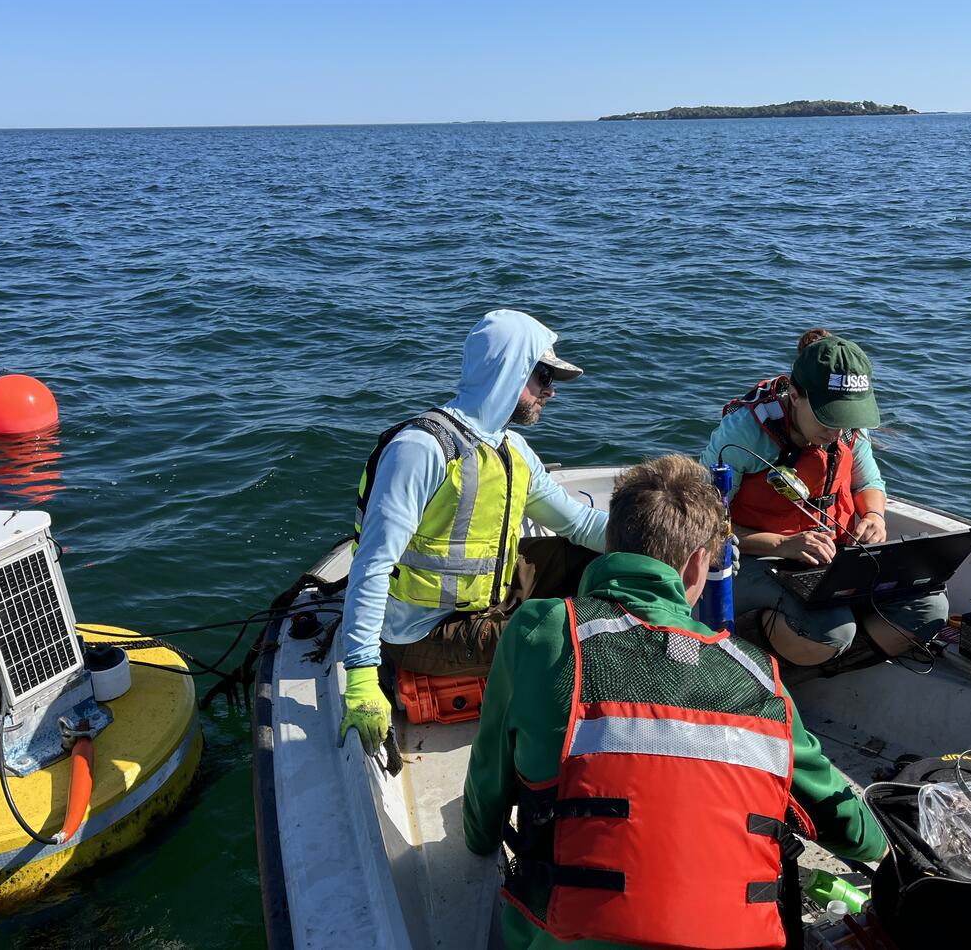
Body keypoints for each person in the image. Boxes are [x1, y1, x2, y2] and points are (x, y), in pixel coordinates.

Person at [463, 455, 887, 950]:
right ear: (697, 563)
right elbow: (852, 830)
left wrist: (478, 838)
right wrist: (884, 838)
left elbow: (487, 792)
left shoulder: (544, 630)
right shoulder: (758, 676)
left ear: (611, 542)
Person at [340, 309, 609, 755]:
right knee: (570, 642)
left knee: (599, 560)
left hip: (487, 596)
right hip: (424, 632)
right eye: (543, 376)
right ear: (511, 369)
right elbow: (371, 566)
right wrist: (362, 677)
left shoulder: (512, 449)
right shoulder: (421, 450)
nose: (551, 390)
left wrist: (666, 548)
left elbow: (581, 524)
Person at [701, 330, 949, 666]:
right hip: (756, 558)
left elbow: (869, 483)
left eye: (848, 418)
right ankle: (747, 660)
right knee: (832, 631)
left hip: (826, 557)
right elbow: (703, 524)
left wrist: (874, 517)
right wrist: (780, 545)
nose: (837, 432)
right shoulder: (743, 433)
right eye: (828, 418)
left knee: (928, 610)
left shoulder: (847, 430)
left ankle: (817, 662)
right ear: (795, 394)